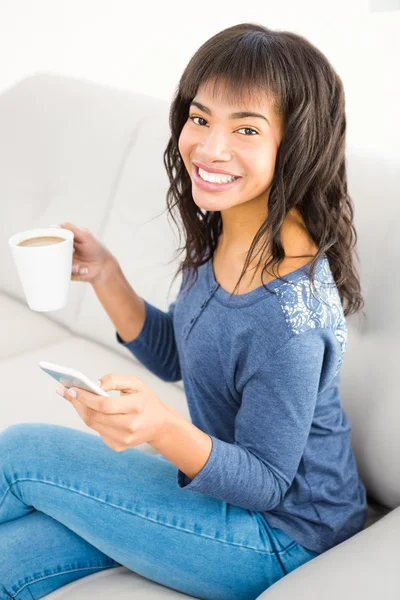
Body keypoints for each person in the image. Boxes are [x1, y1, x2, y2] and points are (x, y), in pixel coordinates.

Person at [0, 22, 368, 600]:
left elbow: (269, 482)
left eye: (245, 127)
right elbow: (183, 356)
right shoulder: (228, 229)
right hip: (220, 497)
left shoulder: (289, 316)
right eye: (200, 118)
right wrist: (107, 275)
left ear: (297, 144)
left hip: (283, 538)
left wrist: (162, 428)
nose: (209, 147)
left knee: (19, 453)